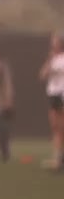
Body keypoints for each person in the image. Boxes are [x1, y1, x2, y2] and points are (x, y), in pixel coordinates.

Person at [40, 34, 64, 170]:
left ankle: (59, 158)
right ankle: (57, 157)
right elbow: (42, 75)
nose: (53, 44)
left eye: (55, 42)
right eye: (52, 42)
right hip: (53, 94)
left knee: (61, 127)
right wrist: (49, 59)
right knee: (55, 127)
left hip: (62, 94)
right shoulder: (52, 59)